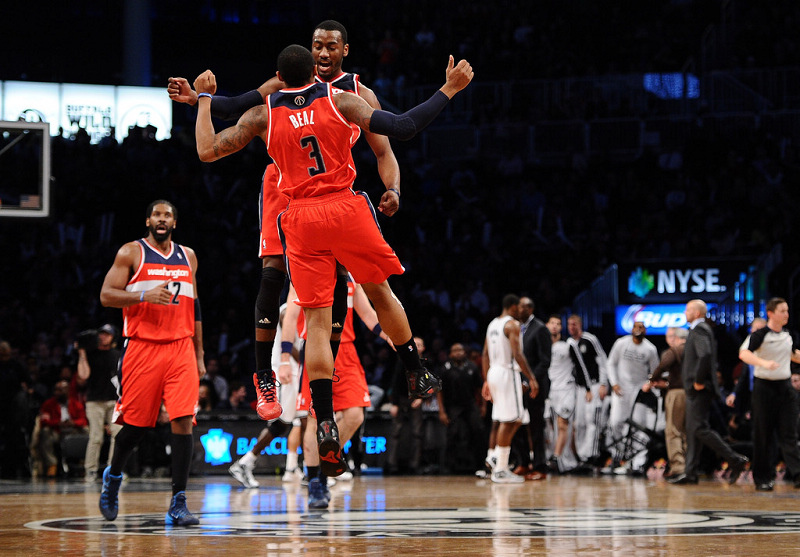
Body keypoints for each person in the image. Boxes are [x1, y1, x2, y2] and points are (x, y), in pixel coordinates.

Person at [193, 45, 472, 476]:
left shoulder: (264, 114)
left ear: (279, 78)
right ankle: (415, 370)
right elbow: (404, 126)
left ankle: (323, 418)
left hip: (300, 218)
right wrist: (449, 89)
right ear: (315, 73)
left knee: (318, 323)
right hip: (345, 209)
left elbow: (207, 150)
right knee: (380, 292)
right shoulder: (340, 100)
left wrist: (204, 99)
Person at [168, 20, 403, 424]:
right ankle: (265, 378)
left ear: (344, 50)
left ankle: (325, 382)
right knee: (272, 272)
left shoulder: (357, 93)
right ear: (309, 52)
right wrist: (197, 100)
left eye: (330, 46)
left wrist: (393, 189)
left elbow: (384, 151)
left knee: (339, 281)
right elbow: (238, 105)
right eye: (317, 45)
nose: (323, 53)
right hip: (283, 184)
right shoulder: (285, 81)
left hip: (331, 191)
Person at [97, 200, 205, 526]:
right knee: (135, 428)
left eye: (167, 215)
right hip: (142, 347)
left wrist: (199, 354)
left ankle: (178, 502)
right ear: (148, 221)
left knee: (183, 420)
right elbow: (106, 295)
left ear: (174, 223)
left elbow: (195, 307)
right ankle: (113, 476)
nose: (162, 219)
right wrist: (143, 295)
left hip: (181, 347)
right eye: (157, 214)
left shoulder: (188, 256)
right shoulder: (131, 252)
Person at [669, 299, 748, 485]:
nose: (685, 312)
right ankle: (690, 472)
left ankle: (735, 459)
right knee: (693, 430)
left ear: (697, 313)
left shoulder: (700, 329)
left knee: (699, 428)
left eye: (688, 310)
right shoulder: (697, 329)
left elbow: (704, 355)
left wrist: (698, 380)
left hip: (700, 388)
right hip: (696, 389)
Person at [739, 297, 800, 491]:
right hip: (764, 388)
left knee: (789, 433)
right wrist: (764, 363)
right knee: (763, 434)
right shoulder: (760, 335)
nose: (786, 314)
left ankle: (797, 474)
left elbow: (792, 354)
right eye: (782, 311)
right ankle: (762, 478)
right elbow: (744, 353)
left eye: (787, 310)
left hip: (785, 388)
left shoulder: (788, 334)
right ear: (771, 313)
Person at [481, 294, 538, 483]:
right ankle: (501, 468)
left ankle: (497, 456)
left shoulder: (492, 325)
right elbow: (518, 355)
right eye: (519, 307)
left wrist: (486, 380)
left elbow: (485, 354)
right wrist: (531, 378)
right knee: (511, 419)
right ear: (513, 307)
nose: (520, 310)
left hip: (494, 372)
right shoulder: (512, 324)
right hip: (507, 372)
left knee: (515, 418)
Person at [605, 321, 659, 469]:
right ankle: (618, 455)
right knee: (616, 422)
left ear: (645, 330)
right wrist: (614, 383)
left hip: (639, 391)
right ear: (632, 329)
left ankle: (637, 462)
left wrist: (648, 385)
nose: (638, 329)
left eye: (641, 327)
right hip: (621, 389)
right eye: (636, 326)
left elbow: (655, 371)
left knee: (638, 425)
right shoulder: (621, 343)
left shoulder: (650, 349)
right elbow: (610, 363)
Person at [75, 324, 121, 483]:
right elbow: (83, 376)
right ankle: (90, 470)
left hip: (114, 400)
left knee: (118, 434)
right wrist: (82, 352)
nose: (103, 337)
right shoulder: (90, 354)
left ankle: (114, 469)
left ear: (113, 337)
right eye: (101, 334)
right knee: (96, 436)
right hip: (94, 401)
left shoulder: (117, 355)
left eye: (107, 334)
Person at [642, 327, 688, 478]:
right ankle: (689, 464)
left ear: (676, 338)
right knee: (686, 431)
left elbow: (662, 366)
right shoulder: (693, 351)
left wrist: (651, 380)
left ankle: (678, 467)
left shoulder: (674, 351)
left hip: (676, 393)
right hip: (691, 394)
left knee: (673, 431)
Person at [566, 314, 609, 468]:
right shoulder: (570, 344)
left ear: (580, 325)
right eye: (569, 324)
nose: (572, 327)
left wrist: (603, 384)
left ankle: (592, 454)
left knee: (592, 421)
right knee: (580, 423)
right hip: (579, 388)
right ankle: (581, 455)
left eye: (574, 324)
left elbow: (602, 361)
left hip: (595, 385)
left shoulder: (590, 339)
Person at [436, 342, 486, 474]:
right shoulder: (445, 369)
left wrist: (483, 406)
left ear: (465, 352)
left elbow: (480, 388)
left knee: (478, 430)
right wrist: (442, 411)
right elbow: (439, 391)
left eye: (460, 350)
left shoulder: (472, 367)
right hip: (453, 406)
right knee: (453, 434)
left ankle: (480, 464)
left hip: (470, 404)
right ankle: (451, 466)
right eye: (455, 350)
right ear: (450, 354)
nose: (458, 353)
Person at [516, 296, 551, 479]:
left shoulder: (540, 328)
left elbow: (545, 361)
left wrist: (528, 381)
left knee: (536, 427)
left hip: (535, 386)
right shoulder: (516, 327)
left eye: (522, 307)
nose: (518, 309)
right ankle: (523, 463)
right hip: (517, 385)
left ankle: (540, 467)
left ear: (530, 309)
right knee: (518, 424)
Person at [545, 315, 577, 474]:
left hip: (566, 389)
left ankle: (557, 457)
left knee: (562, 424)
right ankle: (550, 457)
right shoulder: (542, 346)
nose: (555, 326)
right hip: (549, 392)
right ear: (547, 325)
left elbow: (580, 365)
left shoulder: (568, 345)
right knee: (549, 427)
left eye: (558, 323)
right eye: (552, 323)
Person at [36, 379, 88, 477]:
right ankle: (52, 464)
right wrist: (58, 423)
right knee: (45, 432)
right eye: (56, 390)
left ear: (67, 391)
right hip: (57, 431)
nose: (57, 393)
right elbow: (44, 421)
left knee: (86, 431)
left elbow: (83, 420)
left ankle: (82, 463)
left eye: (60, 390)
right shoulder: (48, 404)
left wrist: (73, 423)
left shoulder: (76, 403)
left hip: (72, 430)